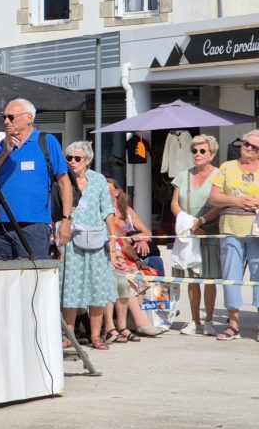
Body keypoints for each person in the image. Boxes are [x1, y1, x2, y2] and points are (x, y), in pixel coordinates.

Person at [0, 99, 73, 260]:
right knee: (1, 280)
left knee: (33, 278)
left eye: (11, 117)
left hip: (34, 225)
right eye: (4, 117)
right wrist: (4, 154)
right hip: (2, 224)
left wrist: (66, 220)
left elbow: (64, 182)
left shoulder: (46, 141)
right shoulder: (3, 145)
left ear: (28, 118)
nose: (6, 121)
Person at [59, 141, 116, 350]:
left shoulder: (99, 180)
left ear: (88, 160)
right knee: (71, 288)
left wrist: (114, 238)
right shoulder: (63, 180)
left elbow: (107, 210)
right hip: (71, 239)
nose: (72, 162)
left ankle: (96, 336)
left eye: (77, 158)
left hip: (96, 240)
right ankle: (69, 336)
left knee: (97, 288)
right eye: (69, 158)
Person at [208, 128, 259, 341]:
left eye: (254, 147)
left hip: (256, 231)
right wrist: (237, 201)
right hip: (230, 228)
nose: (248, 148)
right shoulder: (226, 167)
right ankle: (233, 323)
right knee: (231, 276)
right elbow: (214, 198)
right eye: (246, 144)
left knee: (258, 276)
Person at [169, 134, 222, 336]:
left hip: (209, 229)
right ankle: (194, 320)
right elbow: (175, 202)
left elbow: (220, 204)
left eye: (202, 151)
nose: (198, 154)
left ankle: (208, 321)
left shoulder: (219, 175)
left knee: (208, 277)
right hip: (187, 230)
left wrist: (202, 221)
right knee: (191, 278)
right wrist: (187, 221)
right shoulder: (183, 175)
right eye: (194, 151)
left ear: (212, 154)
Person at [104, 178, 166, 341]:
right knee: (130, 277)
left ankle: (152, 311)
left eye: (108, 189)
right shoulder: (104, 213)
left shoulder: (127, 212)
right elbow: (118, 241)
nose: (104, 191)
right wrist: (133, 241)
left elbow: (147, 233)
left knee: (153, 264)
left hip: (130, 253)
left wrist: (140, 240)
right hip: (118, 255)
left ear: (117, 192)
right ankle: (139, 320)